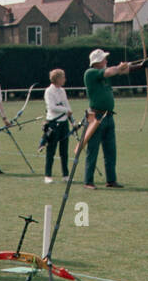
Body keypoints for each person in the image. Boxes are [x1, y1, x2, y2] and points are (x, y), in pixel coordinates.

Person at [83, 48, 132, 189]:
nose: (106, 61)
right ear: (97, 62)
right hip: (96, 117)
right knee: (93, 150)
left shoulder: (103, 74)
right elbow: (111, 71)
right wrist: (119, 67)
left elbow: (122, 71)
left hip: (108, 116)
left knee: (110, 151)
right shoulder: (91, 73)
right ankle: (88, 181)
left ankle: (111, 180)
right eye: (104, 59)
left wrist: (140, 66)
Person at [43, 69, 73, 183]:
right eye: (63, 77)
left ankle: (65, 175)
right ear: (57, 79)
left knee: (64, 150)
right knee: (51, 150)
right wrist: (66, 110)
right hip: (53, 123)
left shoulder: (62, 91)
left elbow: (67, 104)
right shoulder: (49, 91)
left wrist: (71, 119)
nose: (64, 79)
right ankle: (48, 175)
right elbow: (52, 107)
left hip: (64, 123)